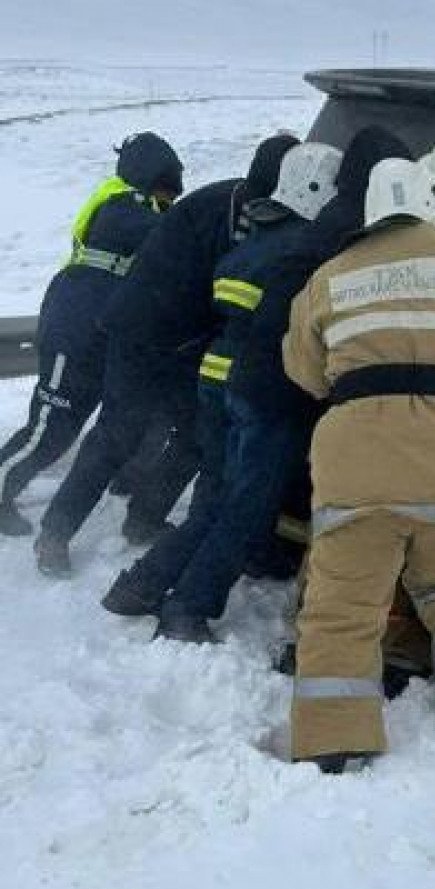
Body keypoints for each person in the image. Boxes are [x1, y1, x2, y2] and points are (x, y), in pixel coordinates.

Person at [284, 157, 435, 773]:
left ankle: (338, 738)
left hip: (359, 448)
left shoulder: (330, 275)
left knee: (343, 599)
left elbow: (304, 372)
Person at [100, 142, 343, 643]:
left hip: (216, 377)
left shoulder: (256, 236)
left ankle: (141, 584)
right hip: (263, 390)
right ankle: (188, 607)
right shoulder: (307, 248)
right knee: (245, 508)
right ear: (320, 189)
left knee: (212, 498)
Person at [33, 134, 298, 577]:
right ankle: (54, 534)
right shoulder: (221, 210)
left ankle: (145, 517)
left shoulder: (250, 206)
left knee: (195, 436)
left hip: (186, 342)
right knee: (116, 434)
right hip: (141, 332)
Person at [0, 133, 183, 536]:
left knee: (130, 415)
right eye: (167, 189)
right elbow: (173, 237)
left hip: (99, 330)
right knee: (51, 428)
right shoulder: (121, 205)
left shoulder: (136, 206)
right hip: (75, 330)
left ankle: (128, 476)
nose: (169, 200)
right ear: (153, 175)